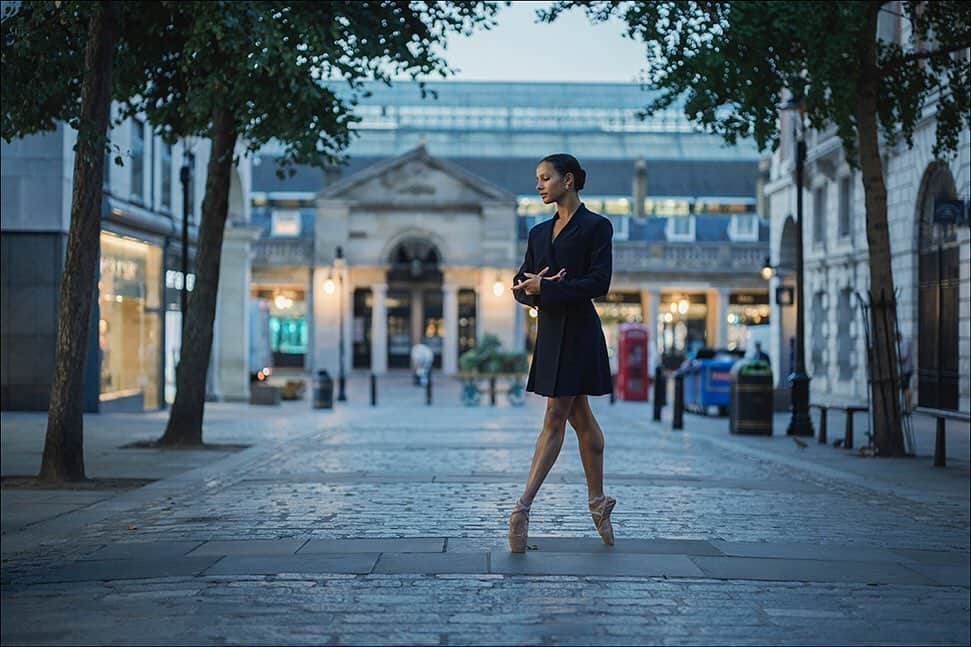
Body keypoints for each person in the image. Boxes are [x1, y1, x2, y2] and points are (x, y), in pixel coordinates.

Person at [508, 153, 616, 553]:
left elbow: (599, 283)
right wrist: (525, 289)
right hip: (550, 330)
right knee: (581, 418)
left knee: (556, 415)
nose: (538, 185)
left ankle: (522, 509)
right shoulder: (538, 233)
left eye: (545, 178)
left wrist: (547, 288)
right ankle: (598, 502)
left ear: (567, 181)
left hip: (580, 330)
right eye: (537, 179)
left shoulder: (597, 227)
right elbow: (523, 281)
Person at [897, 332, 914, 414]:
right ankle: (906, 407)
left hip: (906, 370)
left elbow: (903, 356)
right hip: (906, 370)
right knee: (904, 389)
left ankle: (907, 408)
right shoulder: (903, 343)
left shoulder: (904, 343)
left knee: (905, 388)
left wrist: (895, 358)